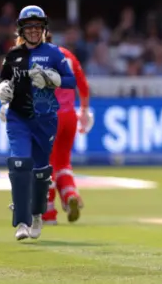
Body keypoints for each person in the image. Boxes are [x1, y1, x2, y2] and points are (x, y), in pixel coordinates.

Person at [0, 5, 76, 241]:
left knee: (41, 171)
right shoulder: (13, 55)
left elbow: (71, 81)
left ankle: (38, 213)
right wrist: (3, 90)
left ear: (43, 28)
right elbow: (3, 80)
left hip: (45, 120)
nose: (33, 31)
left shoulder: (53, 53)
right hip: (18, 119)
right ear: (21, 28)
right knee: (20, 164)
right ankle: (21, 221)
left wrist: (55, 78)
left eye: (37, 26)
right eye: (29, 27)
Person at [42, 38, 94, 225]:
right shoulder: (68, 55)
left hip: (49, 118)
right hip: (70, 117)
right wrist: (85, 111)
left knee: (45, 165)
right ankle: (70, 194)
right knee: (63, 163)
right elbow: (84, 86)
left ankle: (48, 213)